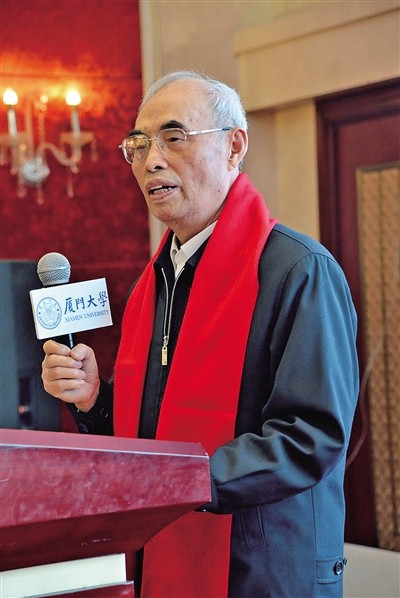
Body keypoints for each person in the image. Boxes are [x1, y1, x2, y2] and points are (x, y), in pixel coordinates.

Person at [42, 70, 359, 598]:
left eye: (174, 137)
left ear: (234, 147)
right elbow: (153, 432)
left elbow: (310, 436)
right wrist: (95, 400)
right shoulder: (154, 282)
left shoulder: (297, 270)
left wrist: (178, 480)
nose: (151, 160)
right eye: (139, 145)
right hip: (163, 555)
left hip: (263, 571)